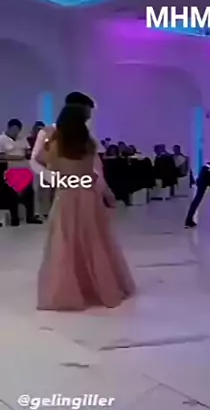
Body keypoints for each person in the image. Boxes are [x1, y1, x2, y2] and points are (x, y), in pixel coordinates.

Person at [37, 104, 135, 311]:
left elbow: (48, 165)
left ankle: (71, 288)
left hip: (66, 194)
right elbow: (93, 171)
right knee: (94, 240)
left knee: (66, 242)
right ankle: (101, 285)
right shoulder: (88, 143)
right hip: (88, 195)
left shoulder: (56, 144)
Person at [0, 119, 42, 226]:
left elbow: (27, 151)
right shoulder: (2, 139)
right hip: (10, 169)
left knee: (29, 193)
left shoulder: (22, 140)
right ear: (9, 128)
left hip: (24, 169)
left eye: (18, 130)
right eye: (13, 129)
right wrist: (17, 157)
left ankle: (30, 216)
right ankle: (15, 218)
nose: (15, 132)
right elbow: (1, 156)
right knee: (13, 194)